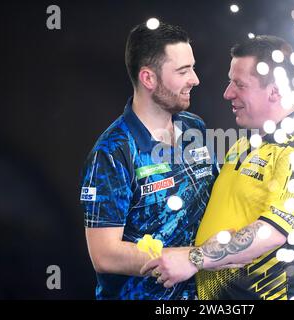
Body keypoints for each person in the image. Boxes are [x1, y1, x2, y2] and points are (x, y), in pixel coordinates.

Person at [141, 35, 294, 300]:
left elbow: (273, 232)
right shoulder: (245, 143)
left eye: (239, 84)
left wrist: (193, 259)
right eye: (230, 81)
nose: (227, 93)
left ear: (276, 90)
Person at [79, 22, 218, 300]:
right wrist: (190, 258)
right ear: (148, 78)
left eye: (192, 67)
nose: (195, 79)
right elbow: (105, 255)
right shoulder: (113, 152)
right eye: (183, 71)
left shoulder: (195, 128)